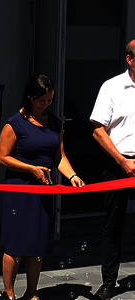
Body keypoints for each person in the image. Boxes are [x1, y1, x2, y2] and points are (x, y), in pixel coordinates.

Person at [0, 74, 84, 300]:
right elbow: (3, 157)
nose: (45, 104)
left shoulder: (55, 123)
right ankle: (9, 293)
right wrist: (31, 168)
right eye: (41, 100)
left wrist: (72, 175)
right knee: (15, 242)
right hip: (20, 189)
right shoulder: (14, 123)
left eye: (50, 100)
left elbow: (59, 157)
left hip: (44, 189)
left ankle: (32, 292)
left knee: (37, 242)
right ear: (30, 97)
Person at [90, 39, 135, 300]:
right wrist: (122, 161)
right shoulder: (112, 87)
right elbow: (97, 130)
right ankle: (109, 281)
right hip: (118, 164)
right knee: (114, 225)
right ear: (130, 59)